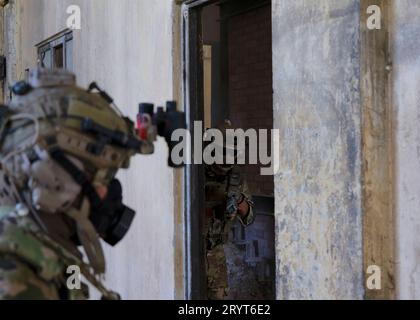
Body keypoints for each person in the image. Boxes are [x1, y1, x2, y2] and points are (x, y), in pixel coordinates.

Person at [0, 68, 170, 299]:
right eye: (104, 178)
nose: (107, 192)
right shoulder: (14, 276)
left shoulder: (45, 251)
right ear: (54, 177)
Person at [204, 120, 255, 300]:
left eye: (233, 153)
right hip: (190, 249)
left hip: (215, 252)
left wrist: (238, 202)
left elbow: (249, 217)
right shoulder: (195, 172)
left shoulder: (235, 179)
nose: (226, 158)